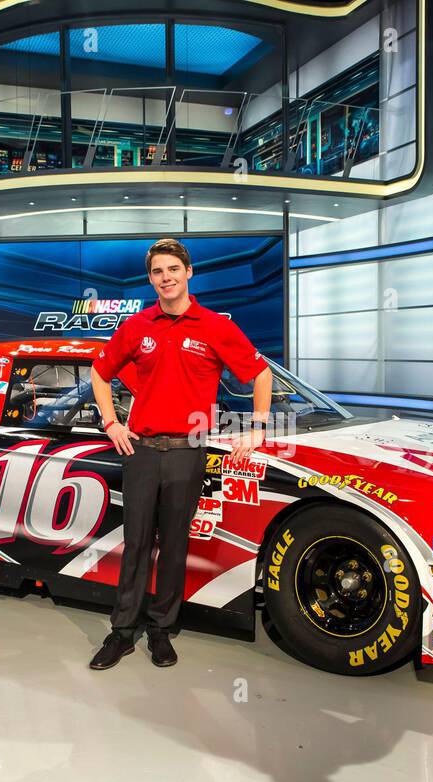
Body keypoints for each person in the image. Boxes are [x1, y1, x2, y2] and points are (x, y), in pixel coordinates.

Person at [88, 238, 272, 669]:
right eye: (157, 271)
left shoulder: (215, 326)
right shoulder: (138, 326)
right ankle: (122, 631)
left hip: (188, 451)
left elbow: (260, 373)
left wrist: (259, 428)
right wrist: (112, 423)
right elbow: (100, 371)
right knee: (135, 543)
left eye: (173, 269)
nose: (165, 277)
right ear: (150, 278)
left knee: (173, 545)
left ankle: (161, 630)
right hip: (141, 451)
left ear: (188, 272)